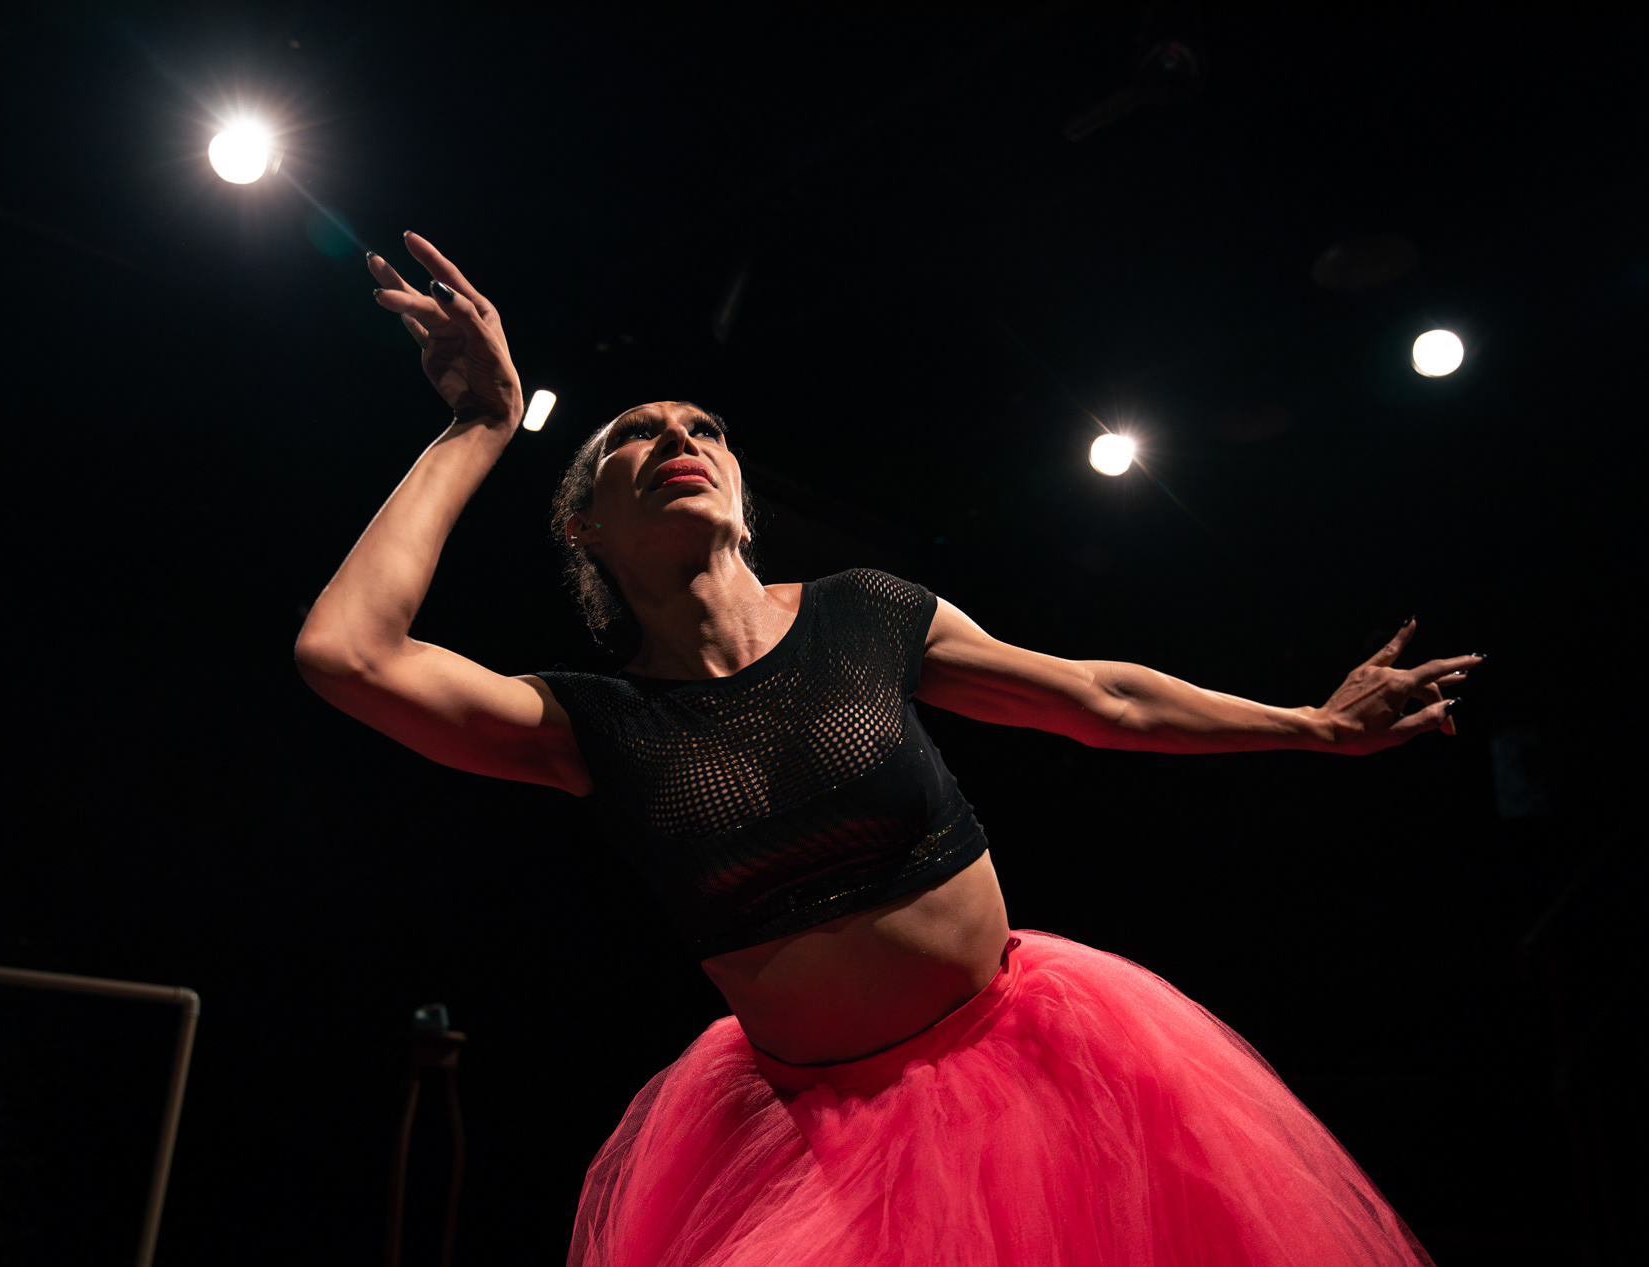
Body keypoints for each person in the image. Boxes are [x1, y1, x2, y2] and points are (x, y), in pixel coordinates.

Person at [296, 233, 1472, 1266]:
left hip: (1039, 1077)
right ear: (584, 528)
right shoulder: (586, 724)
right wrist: (478, 424)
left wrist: (1309, 726)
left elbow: (1097, 697)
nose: (677, 435)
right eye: (635, 436)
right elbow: (347, 654)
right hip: (816, 1143)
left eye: (701, 425)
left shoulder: (866, 613)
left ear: (744, 503)